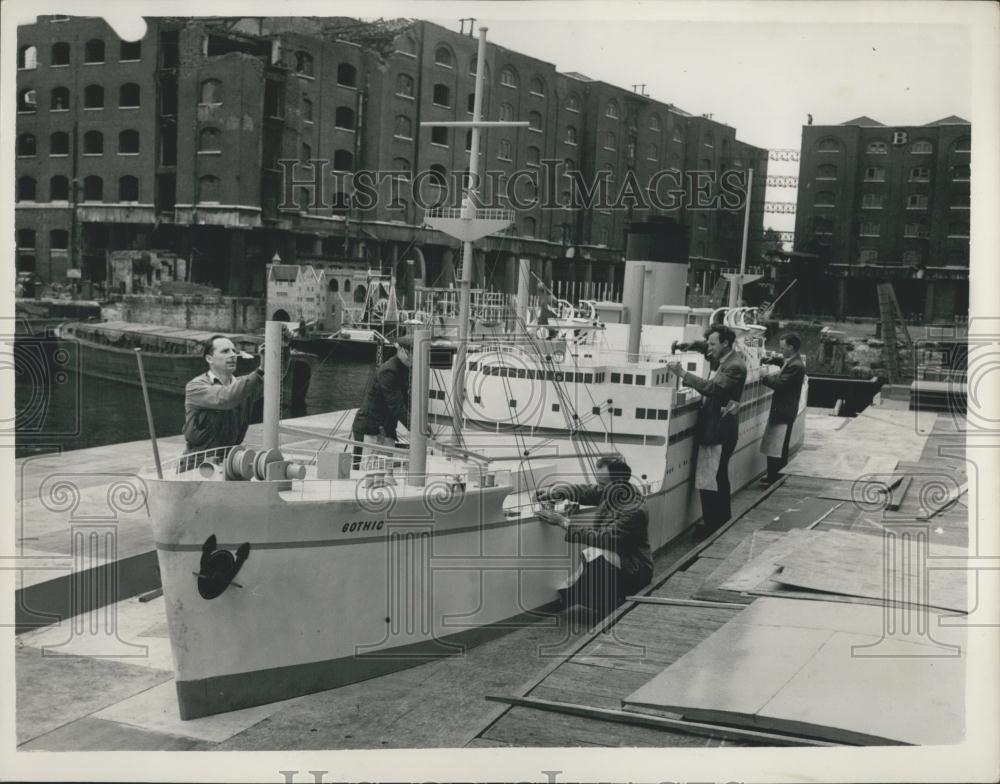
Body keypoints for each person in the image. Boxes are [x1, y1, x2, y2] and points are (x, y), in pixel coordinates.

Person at [535, 456, 652, 617]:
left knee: (594, 554)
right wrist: (556, 492)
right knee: (592, 557)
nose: (600, 487)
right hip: (620, 558)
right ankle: (588, 594)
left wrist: (564, 522)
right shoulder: (614, 491)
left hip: (636, 568)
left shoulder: (634, 511)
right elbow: (587, 491)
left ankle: (613, 601)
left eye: (603, 483)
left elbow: (604, 539)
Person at [666, 324, 747, 538]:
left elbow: (714, 389)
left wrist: (682, 372)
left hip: (718, 431)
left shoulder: (734, 367)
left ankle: (713, 526)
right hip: (720, 429)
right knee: (717, 478)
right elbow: (708, 349)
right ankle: (719, 523)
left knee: (712, 479)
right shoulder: (728, 359)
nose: (709, 347)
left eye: (712, 343)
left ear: (725, 343)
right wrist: (691, 345)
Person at [182, 335, 265, 468]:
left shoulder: (243, 386)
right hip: (198, 463)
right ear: (209, 359)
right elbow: (225, 398)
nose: (233, 355)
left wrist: (282, 349)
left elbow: (274, 378)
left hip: (231, 461)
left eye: (234, 351)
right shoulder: (195, 387)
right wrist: (260, 370)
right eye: (225, 351)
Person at [351, 335, 412, 469]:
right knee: (366, 472)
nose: (411, 358)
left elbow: (406, 401)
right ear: (400, 350)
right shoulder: (389, 371)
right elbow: (396, 405)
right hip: (371, 429)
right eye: (409, 353)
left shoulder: (404, 369)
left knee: (384, 471)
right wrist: (416, 427)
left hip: (384, 429)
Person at [759, 333, 806, 485]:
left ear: (791, 347)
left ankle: (774, 477)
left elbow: (780, 383)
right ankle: (774, 475)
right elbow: (784, 362)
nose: (781, 350)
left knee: (777, 446)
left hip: (783, 411)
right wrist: (772, 359)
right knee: (778, 446)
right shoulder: (794, 362)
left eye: (783, 347)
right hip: (785, 410)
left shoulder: (796, 366)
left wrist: (764, 376)